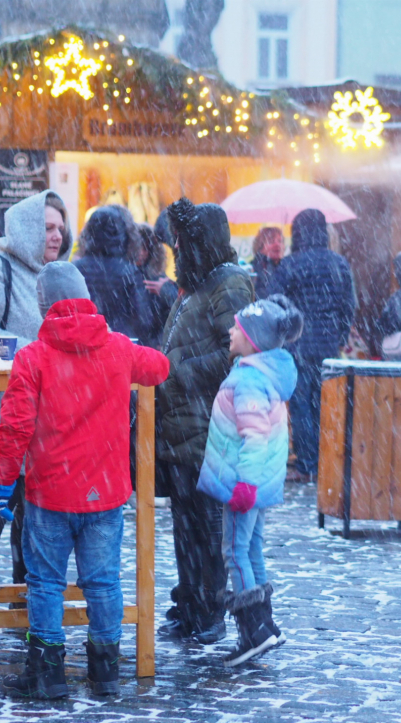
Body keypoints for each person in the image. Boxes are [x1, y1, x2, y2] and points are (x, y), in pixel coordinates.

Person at [0, 262, 170, 699]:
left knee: (46, 583)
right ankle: (105, 671)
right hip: (105, 495)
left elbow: (14, 426)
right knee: (104, 582)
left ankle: (49, 674)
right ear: (86, 296)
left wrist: (3, 482)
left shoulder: (31, 357)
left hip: (48, 493)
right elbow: (160, 367)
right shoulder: (118, 349)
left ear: (43, 307)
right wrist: (130, 346)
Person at [0, 190, 71, 590]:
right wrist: (30, 353)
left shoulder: (61, 274)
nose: (57, 235)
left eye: (60, 227)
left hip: (51, 428)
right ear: (25, 228)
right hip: (2, 421)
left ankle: (27, 609)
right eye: (47, 227)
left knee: (36, 528)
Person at [156, 197, 254, 645]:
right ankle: (190, 603)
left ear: (200, 241)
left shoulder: (228, 282)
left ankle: (210, 608)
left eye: (182, 241)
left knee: (207, 525)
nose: (175, 248)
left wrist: (182, 373)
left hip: (208, 426)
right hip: (180, 426)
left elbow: (236, 351)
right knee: (186, 524)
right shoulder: (195, 284)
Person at [197, 294, 303, 666]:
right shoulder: (262, 374)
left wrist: (244, 484)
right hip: (259, 483)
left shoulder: (248, 381)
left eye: (238, 327)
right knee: (252, 548)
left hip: (245, 485)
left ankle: (252, 631)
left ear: (253, 339)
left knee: (235, 551)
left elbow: (255, 435)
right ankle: (266, 625)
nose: (230, 330)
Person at [271, 208, 355, 483]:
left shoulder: (290, 265)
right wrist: (339, 336)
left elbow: (276, 304)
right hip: (328, 345)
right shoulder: (339, 263)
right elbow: (349, 306)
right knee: (325, 404)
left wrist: (283, 338)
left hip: (297, 345)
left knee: (301, 406)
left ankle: (306, 464)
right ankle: (325, 461)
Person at [74, 205, 153, 342]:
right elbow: (143, 320)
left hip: (83, 344)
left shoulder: (75, 269)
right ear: (124, 234)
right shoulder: (129, 272)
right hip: (120, 343)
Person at [137, 222, 179, 345]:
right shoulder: (125, 275)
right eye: (139, 247)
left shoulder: (158, 279)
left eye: (145, 248)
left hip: (149, 345)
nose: (142, 253)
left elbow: (167, 316)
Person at [251, 226, 284, 299]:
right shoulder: (253, 268)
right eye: (271, 241)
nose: (277, 244)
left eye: (280, 241)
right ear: (260, 246)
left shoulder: (286, 267)